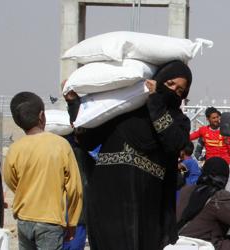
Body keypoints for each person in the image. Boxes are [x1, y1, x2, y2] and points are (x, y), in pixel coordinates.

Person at [66, 61, 194, 249]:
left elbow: (173, 142)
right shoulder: (124, 109)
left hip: (147, 204)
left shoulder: (179, 121)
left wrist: (156, 102)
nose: (174, 90)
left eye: (180, 90)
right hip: (108, 196)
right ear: (159, 80)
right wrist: (74, 105)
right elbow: (87, 139)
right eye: (170, 84)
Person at [3, 92, 83, 250]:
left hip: (24, 219)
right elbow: (74, 189)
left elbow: (10, 180)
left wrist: (28, 191)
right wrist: (72, 222)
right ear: (42, 116)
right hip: (50, 222)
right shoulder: (61, 145)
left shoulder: (15, 148)